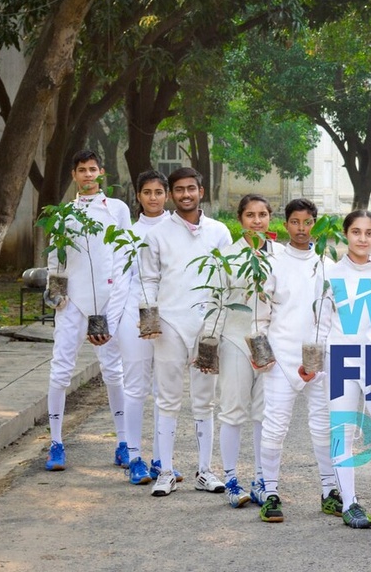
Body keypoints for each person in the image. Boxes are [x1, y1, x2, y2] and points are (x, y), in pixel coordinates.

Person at [140, 167, 232, 497]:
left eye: (191, 189)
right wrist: (149, 319)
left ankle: (205, 471)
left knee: (205, 401)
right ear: (172, 194)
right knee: (167, 400)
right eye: (178, 190)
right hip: (168, 326)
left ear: (201, 191)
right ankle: (165, 471)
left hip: (207, 327)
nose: (185, 195)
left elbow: (226, 281)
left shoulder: (219, 232)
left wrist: (217, 326)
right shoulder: (158, 234)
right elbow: (148, 279)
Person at [43, 150, 131, 472]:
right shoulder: (63, 214)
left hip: (107, 304)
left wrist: (115, 308)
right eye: (82, 170)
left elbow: (123, 258)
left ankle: (123, 442)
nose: (88, 175)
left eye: (93, 169)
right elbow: (56, 260)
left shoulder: (118, 210)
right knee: (61, 369)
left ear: (101, 172)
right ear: (74, 175)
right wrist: (57, 297)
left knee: (113, 370)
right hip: (73, 304)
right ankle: (56, 444)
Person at [254, 198, 341, 523]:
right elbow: (261, 313)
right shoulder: (272, 261)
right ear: (285, 224)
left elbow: (332, 314)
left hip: (319, 357)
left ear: (316, 224)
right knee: (275, 425)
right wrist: (261, 353)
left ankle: (329, 490)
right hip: (281, 356)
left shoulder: (328, 263)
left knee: (322, 426)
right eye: (295, 222)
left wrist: (322, 353)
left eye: (308, 222)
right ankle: (270, 491)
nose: (302, 229)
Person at [205, 195, 284, 508]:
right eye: (250, 215)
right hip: (236, 339)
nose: (257, 221)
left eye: (263, 214)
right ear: (240, 219)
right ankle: (232, 479)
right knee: (233, 410)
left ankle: (263, 479)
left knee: (264, 414)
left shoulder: (281, 257)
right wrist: (211, 343)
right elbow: (214, 303)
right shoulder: (227, 257)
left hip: (270, 345)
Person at [108, 170, 172, 485]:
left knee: (165, 391)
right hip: (134, 318)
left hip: (170, 319)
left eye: (158, 192)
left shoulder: (178, 232)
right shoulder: (129, 234)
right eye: (147, 192)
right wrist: (112, 322)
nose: (153, 198)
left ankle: (162, 459)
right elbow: (120, 282)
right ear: (138, 196)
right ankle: (134, 457)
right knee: (135, 389)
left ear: (167, 195)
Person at [327, 210, 371, 529]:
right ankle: (349, 503)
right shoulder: (331, 274)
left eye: (369, 233)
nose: (362, 239)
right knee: (343, 431)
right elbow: (321, 321)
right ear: (346, 234)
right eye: (356, 232)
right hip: (341, 358)